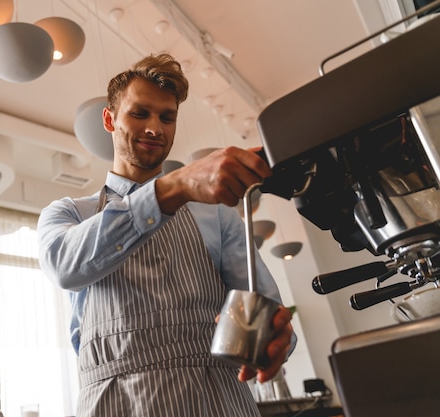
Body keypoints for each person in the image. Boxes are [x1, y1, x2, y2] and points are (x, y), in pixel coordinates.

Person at [38, 53, 294, 417]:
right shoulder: (68, 214)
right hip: (115, 404)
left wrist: (273, 338)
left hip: (216, 400)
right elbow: (65, 266)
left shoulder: (218, 215)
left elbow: (265, 311)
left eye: (167, 117)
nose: (155, 128)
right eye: (140, 113)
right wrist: (172, 188)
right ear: (110, 119)